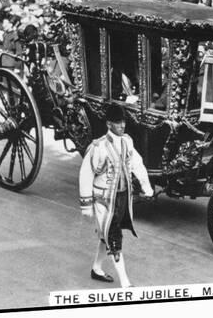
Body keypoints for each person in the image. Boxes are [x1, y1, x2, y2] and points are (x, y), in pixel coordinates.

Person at [78, 104, 153, 288]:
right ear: (109, 124)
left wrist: (146, 185)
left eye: (123, 122)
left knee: (107, 236)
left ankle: (96, 268)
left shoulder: (127, 142)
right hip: (103, 200)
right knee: (114, 237)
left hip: (121, 198)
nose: (122, 126)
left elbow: (137, 163)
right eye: (118, 122)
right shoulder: (98, 147)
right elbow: (86, 174)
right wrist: (86, 205)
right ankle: (125, 283)